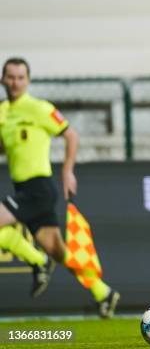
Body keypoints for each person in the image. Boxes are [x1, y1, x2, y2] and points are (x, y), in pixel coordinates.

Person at [0, 57, 120, 318]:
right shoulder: (2, 113)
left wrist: (67, 171)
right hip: (23, 188)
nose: (15, 82)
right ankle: (104, 293)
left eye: (20, 77)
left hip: (39, 188)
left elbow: (71, 135)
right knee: (59, 250)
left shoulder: (39, 108)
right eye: (10, 77)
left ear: (28, 80)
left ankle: (38, 260)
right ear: (2, 79)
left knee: (44, 252)